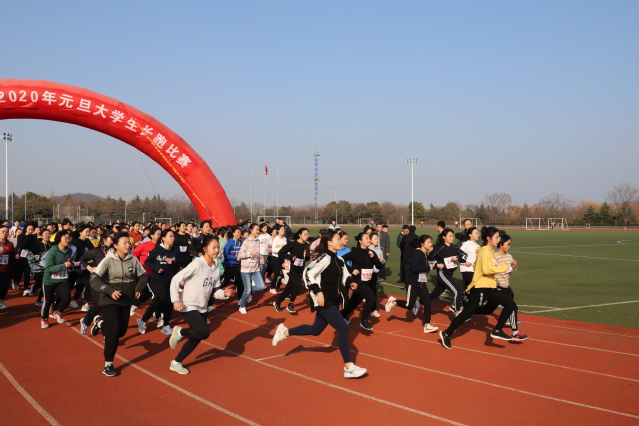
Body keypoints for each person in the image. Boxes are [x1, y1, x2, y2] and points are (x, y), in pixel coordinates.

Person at [272, 229, 367, 379]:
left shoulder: (339, 260)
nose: (341, 241)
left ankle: (284, 332)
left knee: (316, 330)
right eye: (338, 239)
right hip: (323, 300)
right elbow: (307, 273)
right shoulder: (325, 258)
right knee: (343, 328)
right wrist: (319, 292)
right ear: (329, 242)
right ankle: (348, 367)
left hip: (333, 300)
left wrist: (351, 282)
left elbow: (345, 276)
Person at [439, 227, 520, 349]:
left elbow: (483, 266)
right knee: (467, 313)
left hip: (489, 286)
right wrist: (505, 267)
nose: (498, 240)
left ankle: (497, 330)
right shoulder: (484, 252)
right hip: (481, 287)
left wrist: (504, 267)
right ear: (488, 238)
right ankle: (447, 333)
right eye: (496, 237)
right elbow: (487, 269)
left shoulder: (489, 252)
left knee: (508, 304)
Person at [90, 232, 149, 376]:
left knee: (121, 331)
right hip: (109, 299)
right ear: (115, 245)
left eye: (129, 242)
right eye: (125, 242)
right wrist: (110, 291)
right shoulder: (108, 260)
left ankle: (100, 323)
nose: (128, 245)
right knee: (114, 331)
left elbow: (143, 275)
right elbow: (94, 278)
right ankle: (108, 364)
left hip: (126, 299)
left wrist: (139, 288)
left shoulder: (133, 260)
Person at [168, 235, 227, 374]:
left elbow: (216, 291)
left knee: (197, 337)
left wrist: (224, 293)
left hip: (202, 307)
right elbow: (176, 279)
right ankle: (179, 332)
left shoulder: (216, 268)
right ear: (205, 249)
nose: (217, 250)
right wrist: (175, 300)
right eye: (214, 247)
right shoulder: (197, 264)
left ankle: (176, 362)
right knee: (204, 332)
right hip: (188, 305)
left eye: (218, 247)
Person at [474, 232, 528, 340]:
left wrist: (514, 267)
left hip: (506, 285)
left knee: (490, 309)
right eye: (508, 244)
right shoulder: (494, 256)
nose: (509, 246)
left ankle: (466, 310)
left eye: (510, 244)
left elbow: (511, 272)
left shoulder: (509, 256)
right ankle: (514, 332)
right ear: (501, 244)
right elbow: (490, 270)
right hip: (497, 286)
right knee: (510, 306)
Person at [385, 235, 438, 333]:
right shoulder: (417, 254)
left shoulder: (424, 254)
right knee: (409, 305)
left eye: (431, 242)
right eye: (428, 242)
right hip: (413, 283)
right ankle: (393, 302)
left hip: (422, 283)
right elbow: (414, 268)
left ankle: (427, 325)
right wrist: (428, 267)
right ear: (422, 243)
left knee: (428, 304)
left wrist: (428, 269)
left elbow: (422, 268)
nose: (430, 244)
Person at [137, 229, 181, 335]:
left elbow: (178, 266)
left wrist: (172, 263)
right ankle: (166, 325)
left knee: (158, 301)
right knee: (166, 299)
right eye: (170, 236)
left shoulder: (175, 251)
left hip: (169, 280)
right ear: (163, 238)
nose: (173, 238)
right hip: (157, 279)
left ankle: (143, 320)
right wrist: (156, 268)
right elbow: (147, 262)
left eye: (173, 236)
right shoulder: (157, 250)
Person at [340, 232, 383, 330]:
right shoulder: (355, 252)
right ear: (360, 241)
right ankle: (364, 320)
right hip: (357, 281)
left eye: (369, 238)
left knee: (354, 301)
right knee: (371, 298)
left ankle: (341, 316)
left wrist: (374, 257)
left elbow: (379, 266)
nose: (369, 240)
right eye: (367, 238)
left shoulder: (371, 252)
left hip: (368, 281)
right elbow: (341, 260)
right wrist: (351, 270)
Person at [78, 230, 115, 336]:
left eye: (114, 237)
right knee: (104, 303)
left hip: (110, 282)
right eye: (111, 237)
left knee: (104, 304)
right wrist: (89, 268)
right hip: (96, 281)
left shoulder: (115, 251)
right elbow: (82, 259)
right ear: (104, 239)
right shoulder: (96, 251)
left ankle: (91, 322)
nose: (113, 240)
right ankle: (103, 328)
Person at [428, 229, 468, 315]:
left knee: (435, 294)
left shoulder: (455, 247)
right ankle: (457, 310)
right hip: (442, 274)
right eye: (449, 236)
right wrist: (437, 265)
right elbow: (429, 260)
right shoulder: (439, 249)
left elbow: (465, 256)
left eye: (452, 236)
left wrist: (457, 259)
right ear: (444, 237)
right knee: (458, 291)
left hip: (449, 275)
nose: (452, 238)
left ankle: (418, 302)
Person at [42, 230, 74, 326]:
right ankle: (44, 319)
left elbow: (68, 261)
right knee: (48, 301)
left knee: (67, 298)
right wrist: (63, 265)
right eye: (65, 238)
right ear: (59, 239)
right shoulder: (52, 252)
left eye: (69, 238)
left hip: (62, 278)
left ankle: (57, 311)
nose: (68, 240)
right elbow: (48, 268)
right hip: (49, 280)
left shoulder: (69, 251)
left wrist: (70, 266)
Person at [274, 228, 309, 314]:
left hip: (300, 269)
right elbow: (281, 252)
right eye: (305, 234)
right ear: (300, 235)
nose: (307, 236)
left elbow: (306, 258)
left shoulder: (306, 245)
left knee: (288, 289)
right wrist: (291, 257)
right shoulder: (293, 244)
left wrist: (307, 256)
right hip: (292, 269)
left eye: (308, 234)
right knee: (298, 285)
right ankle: (290, 304)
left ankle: (277, 302)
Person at [237, 223, 266, 314]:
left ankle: (246, 295)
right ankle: (242, 306)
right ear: (251, 230)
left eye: (258, 230)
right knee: (247, 289)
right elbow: (240, 255)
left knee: (261, 287)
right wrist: (250, 253)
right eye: (256, 229)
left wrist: (261, 258)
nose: (258, 231)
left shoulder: (258, 241)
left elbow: (258, 253)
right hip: (246, 270)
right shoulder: (246, 242)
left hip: (255, 269)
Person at [27, 229, 52, 306]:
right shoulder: (36, 245)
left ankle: (39, 300)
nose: (47, 236)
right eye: (45, 234)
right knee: (41, 283)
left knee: (45, 285)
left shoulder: (51, 245)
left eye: (49, 234)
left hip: (46, 268)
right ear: (41, 235)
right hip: (36, 268)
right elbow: (29, 256)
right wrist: (39, 258)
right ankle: (35, 287)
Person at [367, 232, 384, 317]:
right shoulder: (368, 250)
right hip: (367, 273)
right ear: (370, 240)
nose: (377, 240)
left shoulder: (379, 250)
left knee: (373, 292)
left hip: (374, 274)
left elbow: (381, 263)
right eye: (375, 239)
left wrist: (381, 261)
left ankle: (373, 310)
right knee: (368, 292)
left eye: (377, 239)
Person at [0, 226, 17, 310]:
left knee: (4, 286)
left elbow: (12, 254)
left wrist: (16, 256)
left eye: (6, 232)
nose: (5, 233)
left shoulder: (10, 244)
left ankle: (1, 300)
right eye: (3, 231)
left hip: (6, 269)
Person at [269, 224, 287, 294]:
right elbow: (273, 250)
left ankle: (280, 281)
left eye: (284, 229)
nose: (283, 231)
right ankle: (272, 287)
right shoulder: (276, 239)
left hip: (283, 259)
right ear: (278, 231)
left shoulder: (285, 239)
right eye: (282, 229)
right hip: (275, 258)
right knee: (276, 274)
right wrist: (281, 250)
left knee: (286, 273)